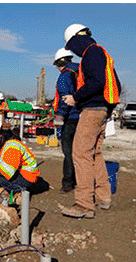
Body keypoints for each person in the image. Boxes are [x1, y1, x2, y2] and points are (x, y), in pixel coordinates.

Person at [59, 23, 121, 219]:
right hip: (101, 110)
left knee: (80, 154)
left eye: (71, 46)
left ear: (77, 39)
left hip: (92, 110)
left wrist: (75, 98)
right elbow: (114, 85)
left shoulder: (91, 54)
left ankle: (84, 204)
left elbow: (97, 82)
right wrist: (107, 110)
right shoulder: (101, 52)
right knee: (95, 154)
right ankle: (103, 198)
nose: (73, 51)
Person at [0, 119, 39, 202]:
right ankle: (12, 188)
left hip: (27, 177)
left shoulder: (12, 146)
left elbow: (7, 171)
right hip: (19, 172)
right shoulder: (0, 144)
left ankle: (19, 190)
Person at [52, 48, 81, 194]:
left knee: (69, 153)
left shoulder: (65, 76)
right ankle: (84, 181)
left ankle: (68, 183)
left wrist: (60, 116)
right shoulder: (81, 72)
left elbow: (65, 98)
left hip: (70, 119)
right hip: (83, 117)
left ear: (60, 63)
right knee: (83, 152)